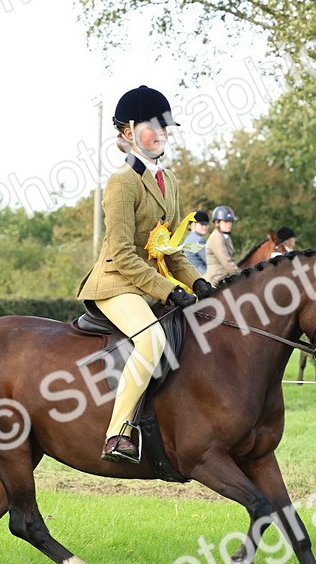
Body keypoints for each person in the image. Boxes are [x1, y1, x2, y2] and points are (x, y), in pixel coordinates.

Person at [76, 85, 214, 462]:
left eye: (165, 127)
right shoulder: (122, 182)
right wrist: (169, 290)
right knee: (152, 340)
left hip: (150, 283)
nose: (162, 133)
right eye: (153, 127)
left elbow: (168, 248)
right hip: (116, 283)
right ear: (128, 132)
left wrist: (199, 283)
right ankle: (117, 434)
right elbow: (123, 254)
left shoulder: (170, 181)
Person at [203, 205, 238, 283]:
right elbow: (226, 261)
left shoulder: (225, 237)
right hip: (215, 281)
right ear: (217, 223)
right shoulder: (216, 238)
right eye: (225, 221)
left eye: (230, 221)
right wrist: (241, 275)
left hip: (225, 278)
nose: (229, 224)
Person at [183, 210, 209, 274]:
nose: (204, 227)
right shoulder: (199, 240)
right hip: (202, 274)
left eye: (206, 224)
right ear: (193, 224)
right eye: (202, 224)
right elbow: (209, 261)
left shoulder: (188, 238)